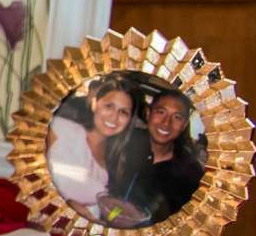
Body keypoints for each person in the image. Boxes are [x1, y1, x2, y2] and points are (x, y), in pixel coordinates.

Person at [104, 90, 205, 227]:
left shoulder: (190, 173)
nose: (166, 123)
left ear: (184, 125)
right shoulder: (120, 143)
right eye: (161, 112)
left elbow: (180, 223)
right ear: (148, 113)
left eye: (177, 117)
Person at [45, 78, 134, 209]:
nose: (114, 117)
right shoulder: (60, 129)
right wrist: (68, 203)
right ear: (94, 104)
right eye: (109, 106)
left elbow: (108, 212)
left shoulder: (117, 161)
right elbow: (35, 178)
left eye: (123, 112)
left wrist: (118, 214)